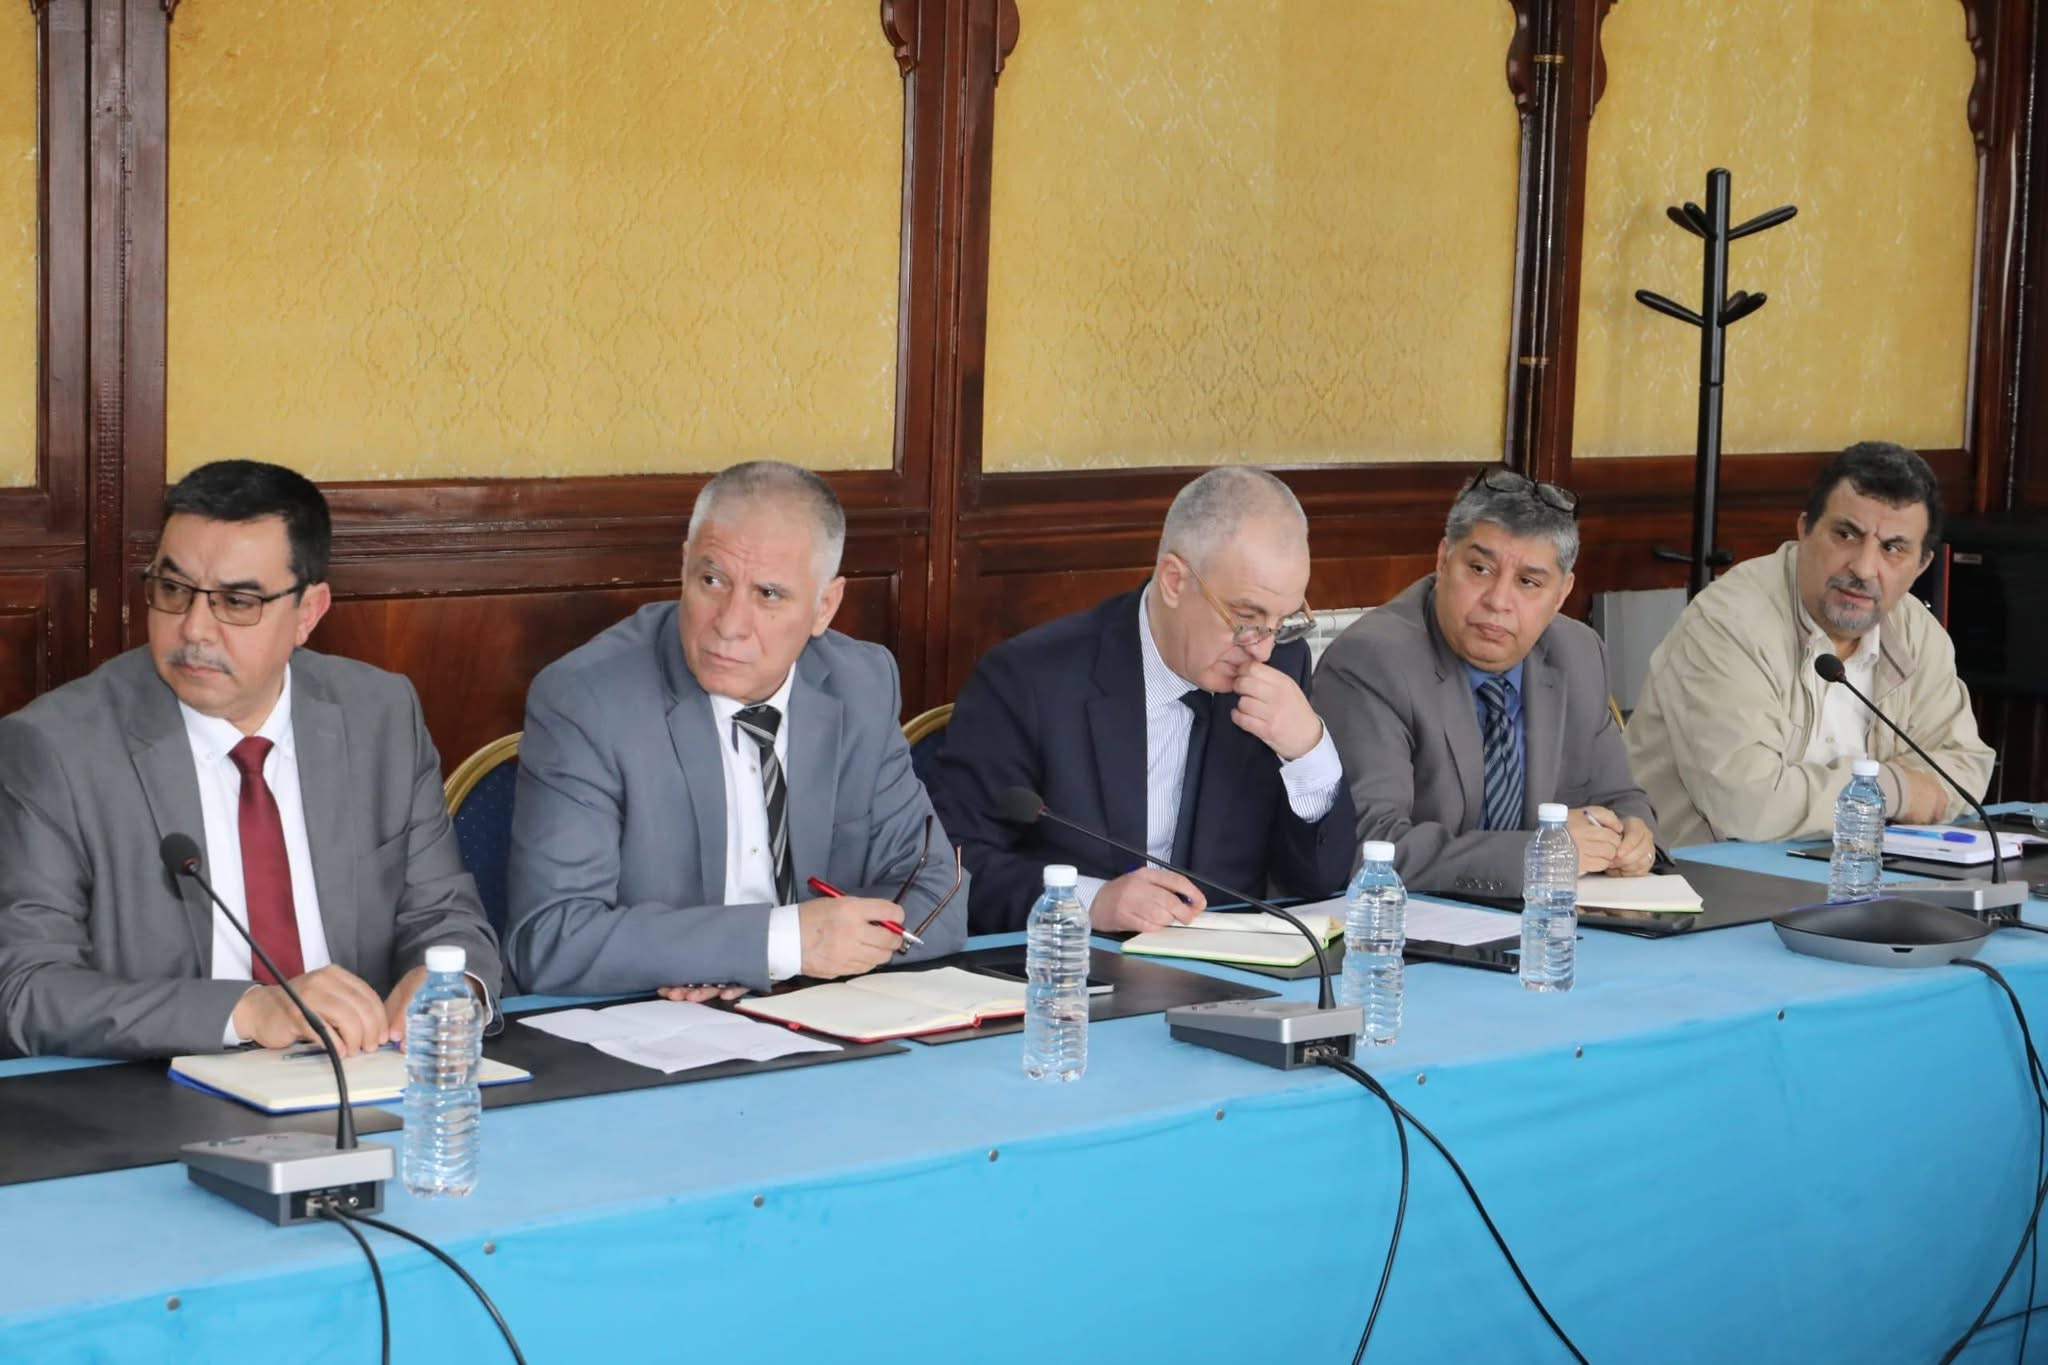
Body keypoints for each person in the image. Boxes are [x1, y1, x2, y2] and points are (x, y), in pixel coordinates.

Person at [0, 461, 500, 1060]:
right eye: (173, 590)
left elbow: (446, 916)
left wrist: (446, 985)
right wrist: (246, 1010)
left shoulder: (380, 715)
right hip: (163, 1085)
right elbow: (26, 990)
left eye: (237, 601)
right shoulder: (56, 748)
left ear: (308, 613)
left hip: (363, 1072)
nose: (194, 630)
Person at [507, 460, 967, 997]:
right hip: (651, 1024)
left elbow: (939, 896)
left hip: (818, 1011)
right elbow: (551, 938)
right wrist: (772, 946)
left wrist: (786, 960)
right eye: (712, 581)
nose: (728, 624)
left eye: (768, 594)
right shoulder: (588, 700)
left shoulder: (860, 684)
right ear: (684, 566)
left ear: (825, 606)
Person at [928, 467, 1356, 933]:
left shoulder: (1281, 667)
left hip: (1228, 964)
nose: (1263, 648)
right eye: (1246, 618)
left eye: (1283, 621)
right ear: (1174, 580)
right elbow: (953, 866)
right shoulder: (1032, 680)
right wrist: (1090, 902)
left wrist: (1309, 751)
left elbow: (1318, 881)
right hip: (1076, 961)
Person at [1627, 441, 1993, 846]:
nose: (1863, 568)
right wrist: (1896, 790)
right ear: (1804, 530)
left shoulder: (1916, 631)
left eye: (1892, 548)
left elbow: (1965, 768)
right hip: (1711, 878)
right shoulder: (1727, 623)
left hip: (1862, 871)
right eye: (1846, 535)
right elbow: (1748, 807)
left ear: (1921, 565)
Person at [1312, 469, 1655, 899]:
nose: (1497, 601)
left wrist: (1633, 835)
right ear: (1443, 561)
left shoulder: (1578, 653)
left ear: (1561, 594)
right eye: (1479, 569)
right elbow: (1370, 844)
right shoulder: (1372, 661)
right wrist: (1537, 855)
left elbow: (1619, 796)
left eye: (1528, 582)